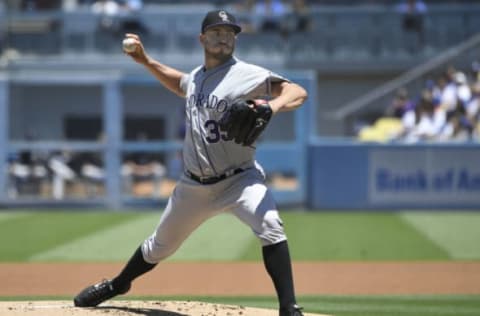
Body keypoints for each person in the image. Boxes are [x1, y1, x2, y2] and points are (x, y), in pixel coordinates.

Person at [73, 9, 308, 316]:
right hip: (194, 186)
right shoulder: (197, 77)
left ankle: (288, 308)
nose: (224, 38)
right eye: (216, 32)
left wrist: (271, 105)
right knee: (159, 247)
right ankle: (117, 285)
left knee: (270, 226)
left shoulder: (246, 74)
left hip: (240, 180)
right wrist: (146, 61)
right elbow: (181, 84)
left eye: (229, 33)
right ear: (202, 38)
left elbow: (298, 92)